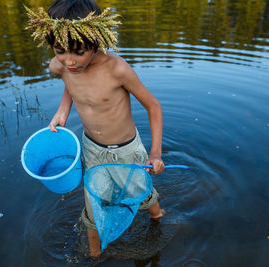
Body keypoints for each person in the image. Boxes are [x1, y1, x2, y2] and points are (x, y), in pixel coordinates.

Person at [25, 0, 165, 258]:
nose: (69, 61)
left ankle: (159, 220)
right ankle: (94, 256)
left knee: (143, 196)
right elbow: (70, 78)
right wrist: (63, 109)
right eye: (59, 51)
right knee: (92, 208)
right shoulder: (60, 66)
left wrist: (155, 154)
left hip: (126, 151)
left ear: (96, 40)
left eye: (79, 52)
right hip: (91, 150)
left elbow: (153, 106)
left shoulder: (116, 69)